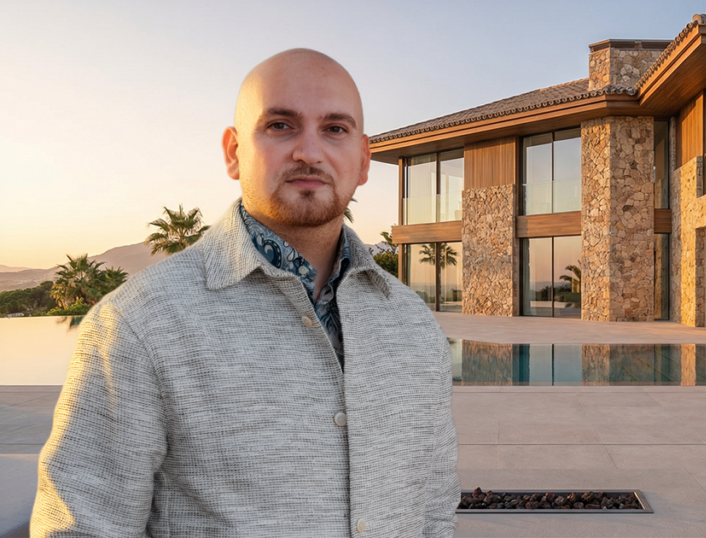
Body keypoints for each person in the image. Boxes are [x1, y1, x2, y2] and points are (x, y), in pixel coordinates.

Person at [31, 49, 459, 537]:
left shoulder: (413, 324)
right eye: (280, 125)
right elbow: (82, 526)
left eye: (335, 129)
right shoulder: (138, 326)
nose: (309, 152)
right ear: (234, 152)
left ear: (362, 160)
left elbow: (434, 509)